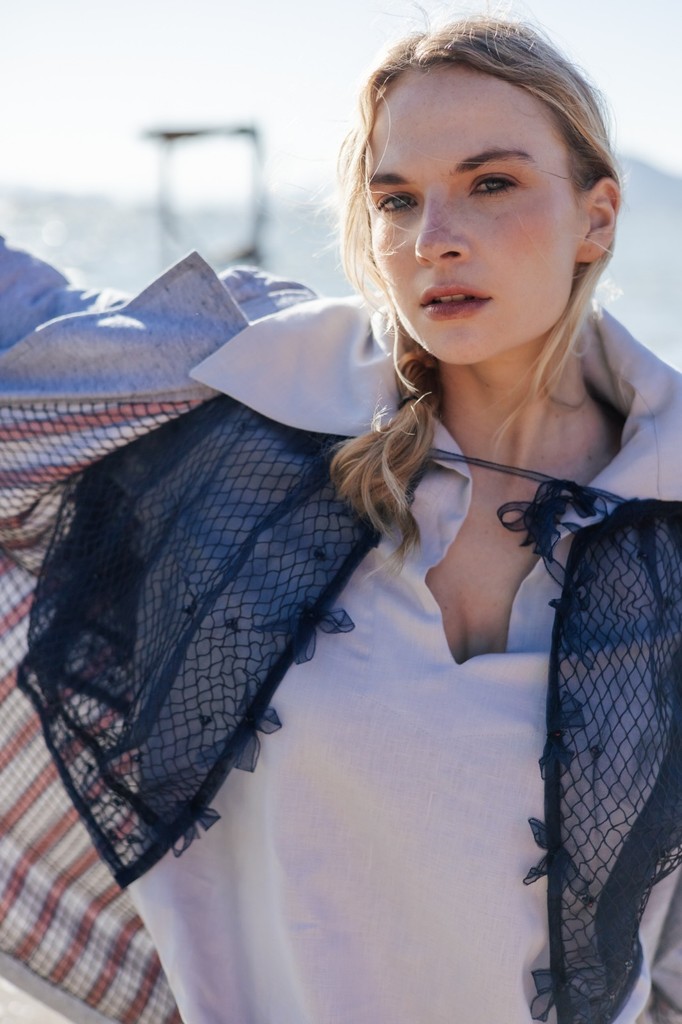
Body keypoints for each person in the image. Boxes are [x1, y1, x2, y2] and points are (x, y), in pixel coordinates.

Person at [0, 13, 681, 1024]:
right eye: (395, 200)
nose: (434, 238)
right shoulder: (263, 410)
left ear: (598, 217)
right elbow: (25, 328)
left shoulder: (668, 524)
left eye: (491, 183)